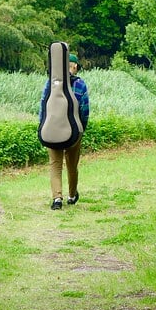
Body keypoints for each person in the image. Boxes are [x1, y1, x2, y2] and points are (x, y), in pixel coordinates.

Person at [40, 53, 89, 209]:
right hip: (74, 131)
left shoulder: (50, 83)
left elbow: (43, 105)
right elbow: (84, 109)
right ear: (74, 66)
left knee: (55, 165)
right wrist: (81, 128)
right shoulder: (80, 84)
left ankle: (57, 199)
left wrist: (42, 126)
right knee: (72, 165)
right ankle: (72, 195)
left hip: (53, 129)